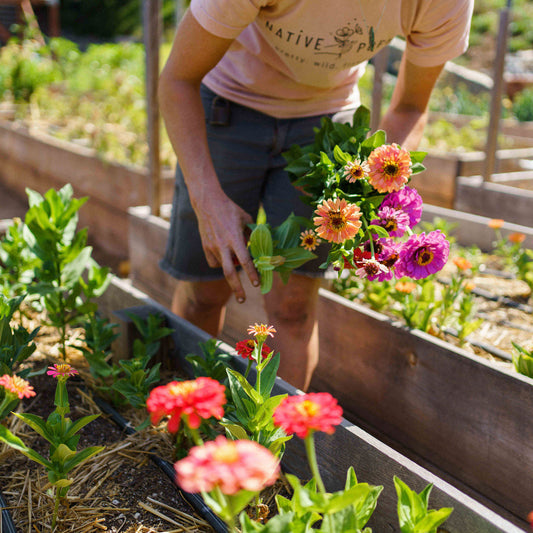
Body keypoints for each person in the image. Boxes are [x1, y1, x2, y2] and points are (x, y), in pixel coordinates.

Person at [158, 0, 474, 391]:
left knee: (292, 310)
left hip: (325, 124)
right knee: (206, 289)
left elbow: (410, 106)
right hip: (228, 103)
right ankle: (187, 425)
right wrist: (207, 199)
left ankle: (275, 447)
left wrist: (377, 193)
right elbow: (177, 79)